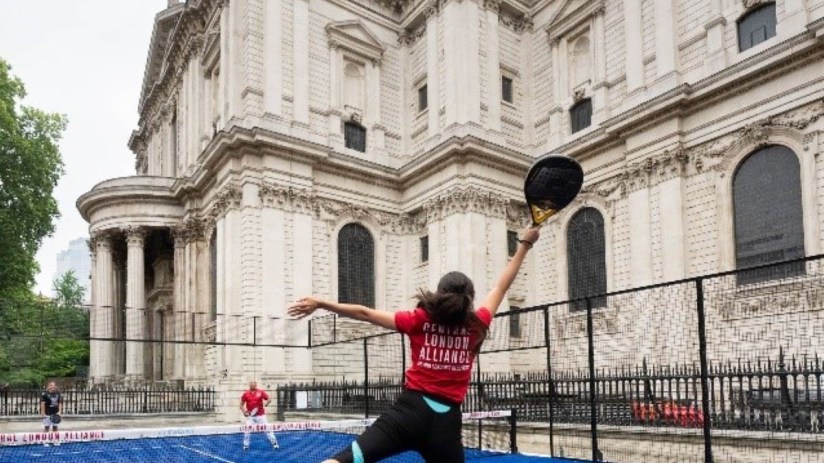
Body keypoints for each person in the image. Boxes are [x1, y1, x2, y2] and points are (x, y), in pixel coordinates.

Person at [288, 226, 541, 463]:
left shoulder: (418, 320)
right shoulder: (477, 324)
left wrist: (321, 303)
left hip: (408, 413)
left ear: (440, 294)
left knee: (347, 459)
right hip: (446, 423)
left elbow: (364, 313)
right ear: (470, 298)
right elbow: (501, 286)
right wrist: (524, 246)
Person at [239, 380, 279, 450]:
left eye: (254, 383)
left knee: (268, 429)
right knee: (247, 430)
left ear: (256, 385)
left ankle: (274, 443)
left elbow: (269, 399)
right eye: (251, 383)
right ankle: (246, 445)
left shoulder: (261, 392)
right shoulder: (245, 394)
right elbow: (241, 405)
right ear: (249, 384)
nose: (253, 384)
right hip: (251, 417)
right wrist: (244, 412)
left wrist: (267, 403)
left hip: (261, 416)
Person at [40, 381, 62, 446]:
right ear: (48, 386)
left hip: (55, 413)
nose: (53, 387)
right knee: (47, 427)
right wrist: (43, 413)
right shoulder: (45, 394)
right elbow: (42, 404)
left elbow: (60, 403)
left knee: (55, 427)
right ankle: (45, 441)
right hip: (47, 413)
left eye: (54, 385)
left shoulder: (58, 393)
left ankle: (55, 440)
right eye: (51, 385)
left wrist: (60, 411)